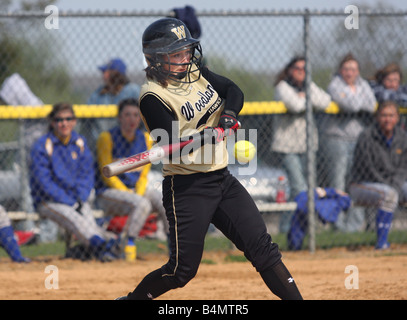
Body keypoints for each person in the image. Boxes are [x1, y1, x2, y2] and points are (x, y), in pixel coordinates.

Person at [115, 18, 302, 300]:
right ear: (156, 59)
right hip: (188, 188)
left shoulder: (195, 70)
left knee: (262, 248)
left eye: (187, 51)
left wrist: (228, 116)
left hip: (221, 179)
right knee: (181, 271)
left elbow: (233, 91)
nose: (186, 58)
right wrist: (206, 135)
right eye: (177, 54)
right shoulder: (151, 97)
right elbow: (172, 144)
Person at [29, 102, 120, 261]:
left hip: (77, 198)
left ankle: (101, 246)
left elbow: (87, 175)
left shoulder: (80, 142)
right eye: (59, 120)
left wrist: (80, 198)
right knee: (73, 216)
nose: (64, 123)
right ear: (52, 122)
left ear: (74, 121)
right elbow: (44, 183)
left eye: (68, 119)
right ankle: (103, 245)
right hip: (48, 201)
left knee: (87, 218)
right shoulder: (43, 145)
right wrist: (70, 201)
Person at [95, 98, 169, 249]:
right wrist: (129, 193)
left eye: (136, 115)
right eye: (127, 115)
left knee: (166, 201)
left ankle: (173, 243)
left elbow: (144, 174)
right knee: (142, 204)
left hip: (136, 191)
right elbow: (107, 175)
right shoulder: (107, 138)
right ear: (119, 118)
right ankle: (126, 245)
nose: (132, 119)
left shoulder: (146, 138)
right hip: (109, 193)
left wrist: (138, 192)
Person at [319, 53, 377, 232]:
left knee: (356, 182)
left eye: (353, 69)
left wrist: (352, 99)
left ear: (358, 71)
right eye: (346, 69)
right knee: (338, 183)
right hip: (337, 140)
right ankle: (338, 225)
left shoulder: (363, 84)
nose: (349, 72)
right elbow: (353, 105)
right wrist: (357, 100)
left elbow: (372, 104)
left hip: (358, 140)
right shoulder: (335, 85)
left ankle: (353, 226)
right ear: (340, 70)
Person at [271, 56, 331, 202]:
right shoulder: (282, 87)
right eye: (297, 68)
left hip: (308, 144)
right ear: (290, 70)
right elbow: (296, 106)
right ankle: (287, 226)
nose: (301, 72)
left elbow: (326, 101)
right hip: (287, 146)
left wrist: (304, 96)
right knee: (298, 187)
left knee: (306, 188)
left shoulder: (309, 86)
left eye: (304, 69)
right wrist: (309, 99)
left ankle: (295, 224)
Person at [349, 100, 407, 250]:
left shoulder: (402, 137)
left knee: (392, 192)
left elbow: (403, 168)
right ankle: (382, 243)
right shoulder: (367, 136)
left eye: (391, 115)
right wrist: (392, 187)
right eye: (384, 115)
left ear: (397, 118)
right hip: (362, 184)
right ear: (377, 117)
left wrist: (395, 185)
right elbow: (367, 169)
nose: (388, 119)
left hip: (393, 184)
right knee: (389, 194)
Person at [85, 58, 141, 150]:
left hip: (129, 143)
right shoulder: (99, 92)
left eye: (105, 72)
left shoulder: (132, 90)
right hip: (100, 143)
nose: (103, 75)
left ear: (115, 73)